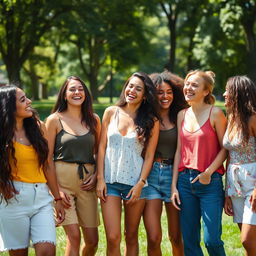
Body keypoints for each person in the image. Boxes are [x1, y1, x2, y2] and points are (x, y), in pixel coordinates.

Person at [96, 72, 160, 256]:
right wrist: (100, 179)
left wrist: (141, 183)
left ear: (145, 95)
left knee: (131, 236)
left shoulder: (151, 121)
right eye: (130, 86)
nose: (132, 90)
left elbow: (149, 155)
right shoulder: (111, 112)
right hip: (110, 183)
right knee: (113, 237)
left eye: (138, 88)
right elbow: (101, 147)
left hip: (135, 185)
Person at [0, 85, 64, 256]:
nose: (29, 102)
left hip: (41, 197)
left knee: (47, 252)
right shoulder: (2, 134)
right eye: (23, 100)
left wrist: (57, 197)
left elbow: (48, 164)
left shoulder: (38, 127)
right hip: (12, 199)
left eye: (26, 97)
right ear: (9, 107)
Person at [171, 70, 227, 256]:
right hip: (185, 183)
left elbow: (225, 148)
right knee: (190, 241)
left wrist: (208, 173)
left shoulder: (216, 114)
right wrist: (174, 186)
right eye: (187, 84)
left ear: (206, 91)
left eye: (195, 85)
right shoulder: (181, 115)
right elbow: (179, 151)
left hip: (209, 182)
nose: (188, 88)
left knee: (211, 240)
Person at [45, 76, 101, 256]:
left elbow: (100, 151)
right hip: (63, 184)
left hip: (88, 183)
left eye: (80, 89)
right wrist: (57, 192)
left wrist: (98, 174)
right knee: (74, 236)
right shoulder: (54, 120)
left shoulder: (94, 119)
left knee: (92, 241)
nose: (77, 93)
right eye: (72, 89)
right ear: (64, 94)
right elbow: (46, 159)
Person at [143, 71, 187, 256]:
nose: (165, 96)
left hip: (174, 176)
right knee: (153, 238)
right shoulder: (144, 117)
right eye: (160, 92)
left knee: (176, 236)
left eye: (169, 92)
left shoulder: (181, 116)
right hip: (150, 175)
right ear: (153, 94)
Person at [223, 76, 256, 256]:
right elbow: (229, 154)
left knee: (248, 240)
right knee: (248, 244)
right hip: (234, 183)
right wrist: (227, 192)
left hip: (253, 181)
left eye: (228, 90)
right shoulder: (231, 117)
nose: (224, 94)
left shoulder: (253, 118)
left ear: (238, 93)